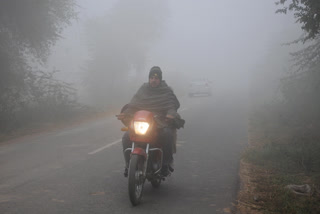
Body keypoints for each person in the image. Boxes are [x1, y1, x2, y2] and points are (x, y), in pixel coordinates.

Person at [116, 66, 185, 177]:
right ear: (149, 78)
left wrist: (170, 115)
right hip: (143, 122)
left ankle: (165, 164)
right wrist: (126, 113)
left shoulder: (166, 91)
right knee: (126, 137)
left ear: (160, 79)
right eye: (151, 77)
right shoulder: (143, 89)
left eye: (156, 78)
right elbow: (133, 104)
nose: (153, 80)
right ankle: (128, 165)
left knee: (167, 134)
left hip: (159, 122)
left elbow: (171, 105)